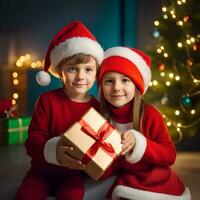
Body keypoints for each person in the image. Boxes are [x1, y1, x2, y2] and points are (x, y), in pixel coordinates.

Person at [15, 20, 104, 200]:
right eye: (72, 69)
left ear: (96, 74)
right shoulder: (47, 100)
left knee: (72, 196)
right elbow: (33, 141)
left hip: (73, 175)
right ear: (60, 72)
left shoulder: (97, 108)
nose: (80, 76)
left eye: (88, 70)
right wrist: (54, 151)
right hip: (42, 171)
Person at [98, 46, 191, 200]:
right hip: (124, 178)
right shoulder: (101, 116)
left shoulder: (150, 114)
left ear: (136, 86)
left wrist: (139, 143)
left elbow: (170, 155)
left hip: (153, 178)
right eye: (109, 81)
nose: (116, 88)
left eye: (125, 80)